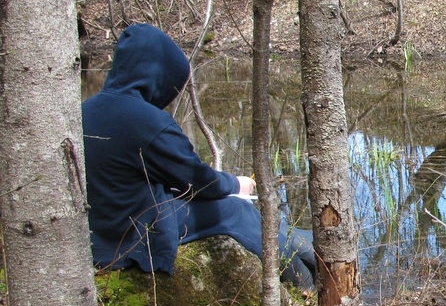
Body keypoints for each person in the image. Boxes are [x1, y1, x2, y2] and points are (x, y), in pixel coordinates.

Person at [83, 23, 315, 288]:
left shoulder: (84, 110)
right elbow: (198, 182)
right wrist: (236, 183)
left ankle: (305, 245)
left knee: (248, 215)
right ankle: (306, 283)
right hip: (136, 235)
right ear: (157, 74)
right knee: (237, 210)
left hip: (101, 234)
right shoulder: (149, 123)